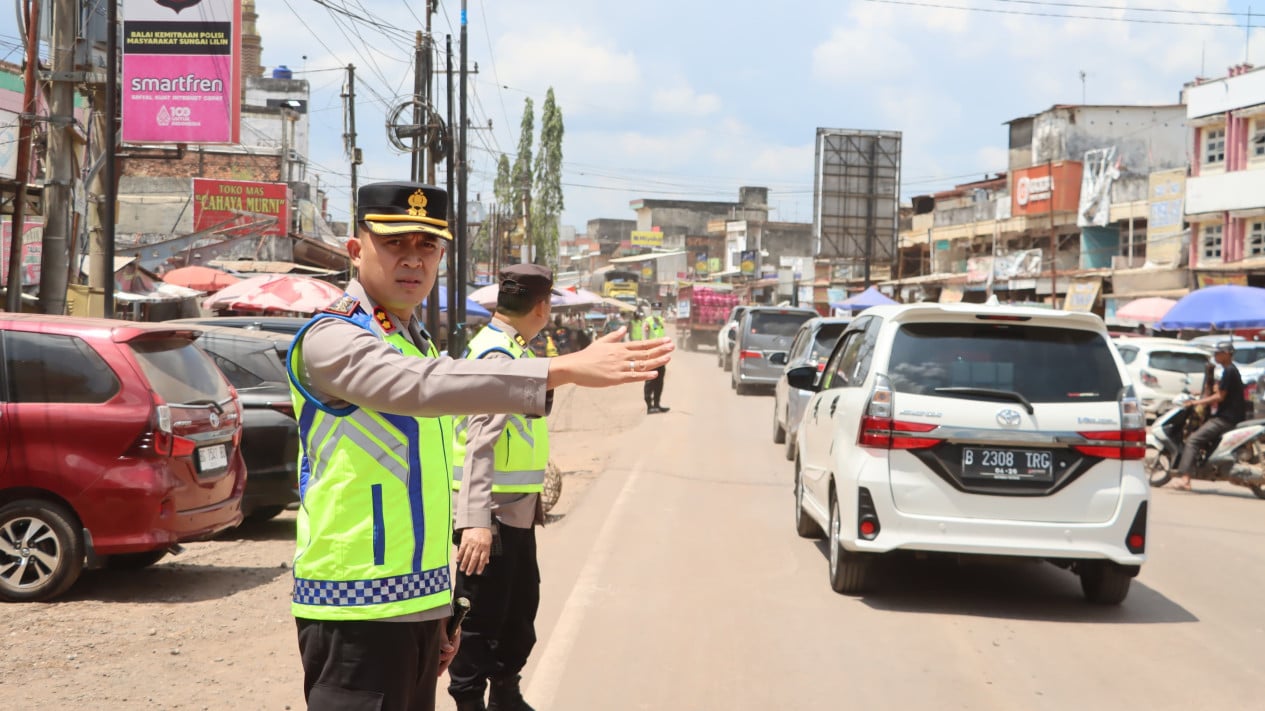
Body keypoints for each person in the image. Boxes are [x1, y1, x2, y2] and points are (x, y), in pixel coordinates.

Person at [285, 181, 674, 711]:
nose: (413, 260)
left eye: (428, 247)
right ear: (357, 251)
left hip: (416, 603)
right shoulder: (333, 337)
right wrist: (561, 370)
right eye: (395, 244)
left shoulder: (410, 337)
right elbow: (421, 385)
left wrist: (438, 605)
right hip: (354, 608)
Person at [447, 264, 559, 711]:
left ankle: (506, 696)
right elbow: (480, 440)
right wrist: (474, 522)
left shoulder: (512, 348)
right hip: (489, 515)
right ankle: (471, 703)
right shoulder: (500, 357)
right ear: (542, 306)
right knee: (478, 620)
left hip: (514, 509)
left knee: (517, 615)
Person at [1173, 341, 1246, 491]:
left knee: (1193, 440)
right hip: (1227, 416)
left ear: (1227, 354)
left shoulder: (1230, 371)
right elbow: (1219, 391)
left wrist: (1195, 403)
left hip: (1225, 418)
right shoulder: (1229, 371)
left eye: (1218, 353)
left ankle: (1185, 479)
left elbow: (1220, 397)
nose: (1215, 355)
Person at [629, 304, 670, 414]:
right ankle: (649, 406)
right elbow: (645, 339)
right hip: (651, 355)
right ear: (651, 311)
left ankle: (657, 404)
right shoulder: (648, 322)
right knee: (650, 380)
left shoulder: (661, 321)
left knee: (659, 380)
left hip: (660, 354)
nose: (657, 311)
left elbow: (663, 335)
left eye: (659, 310)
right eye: (655, 310)